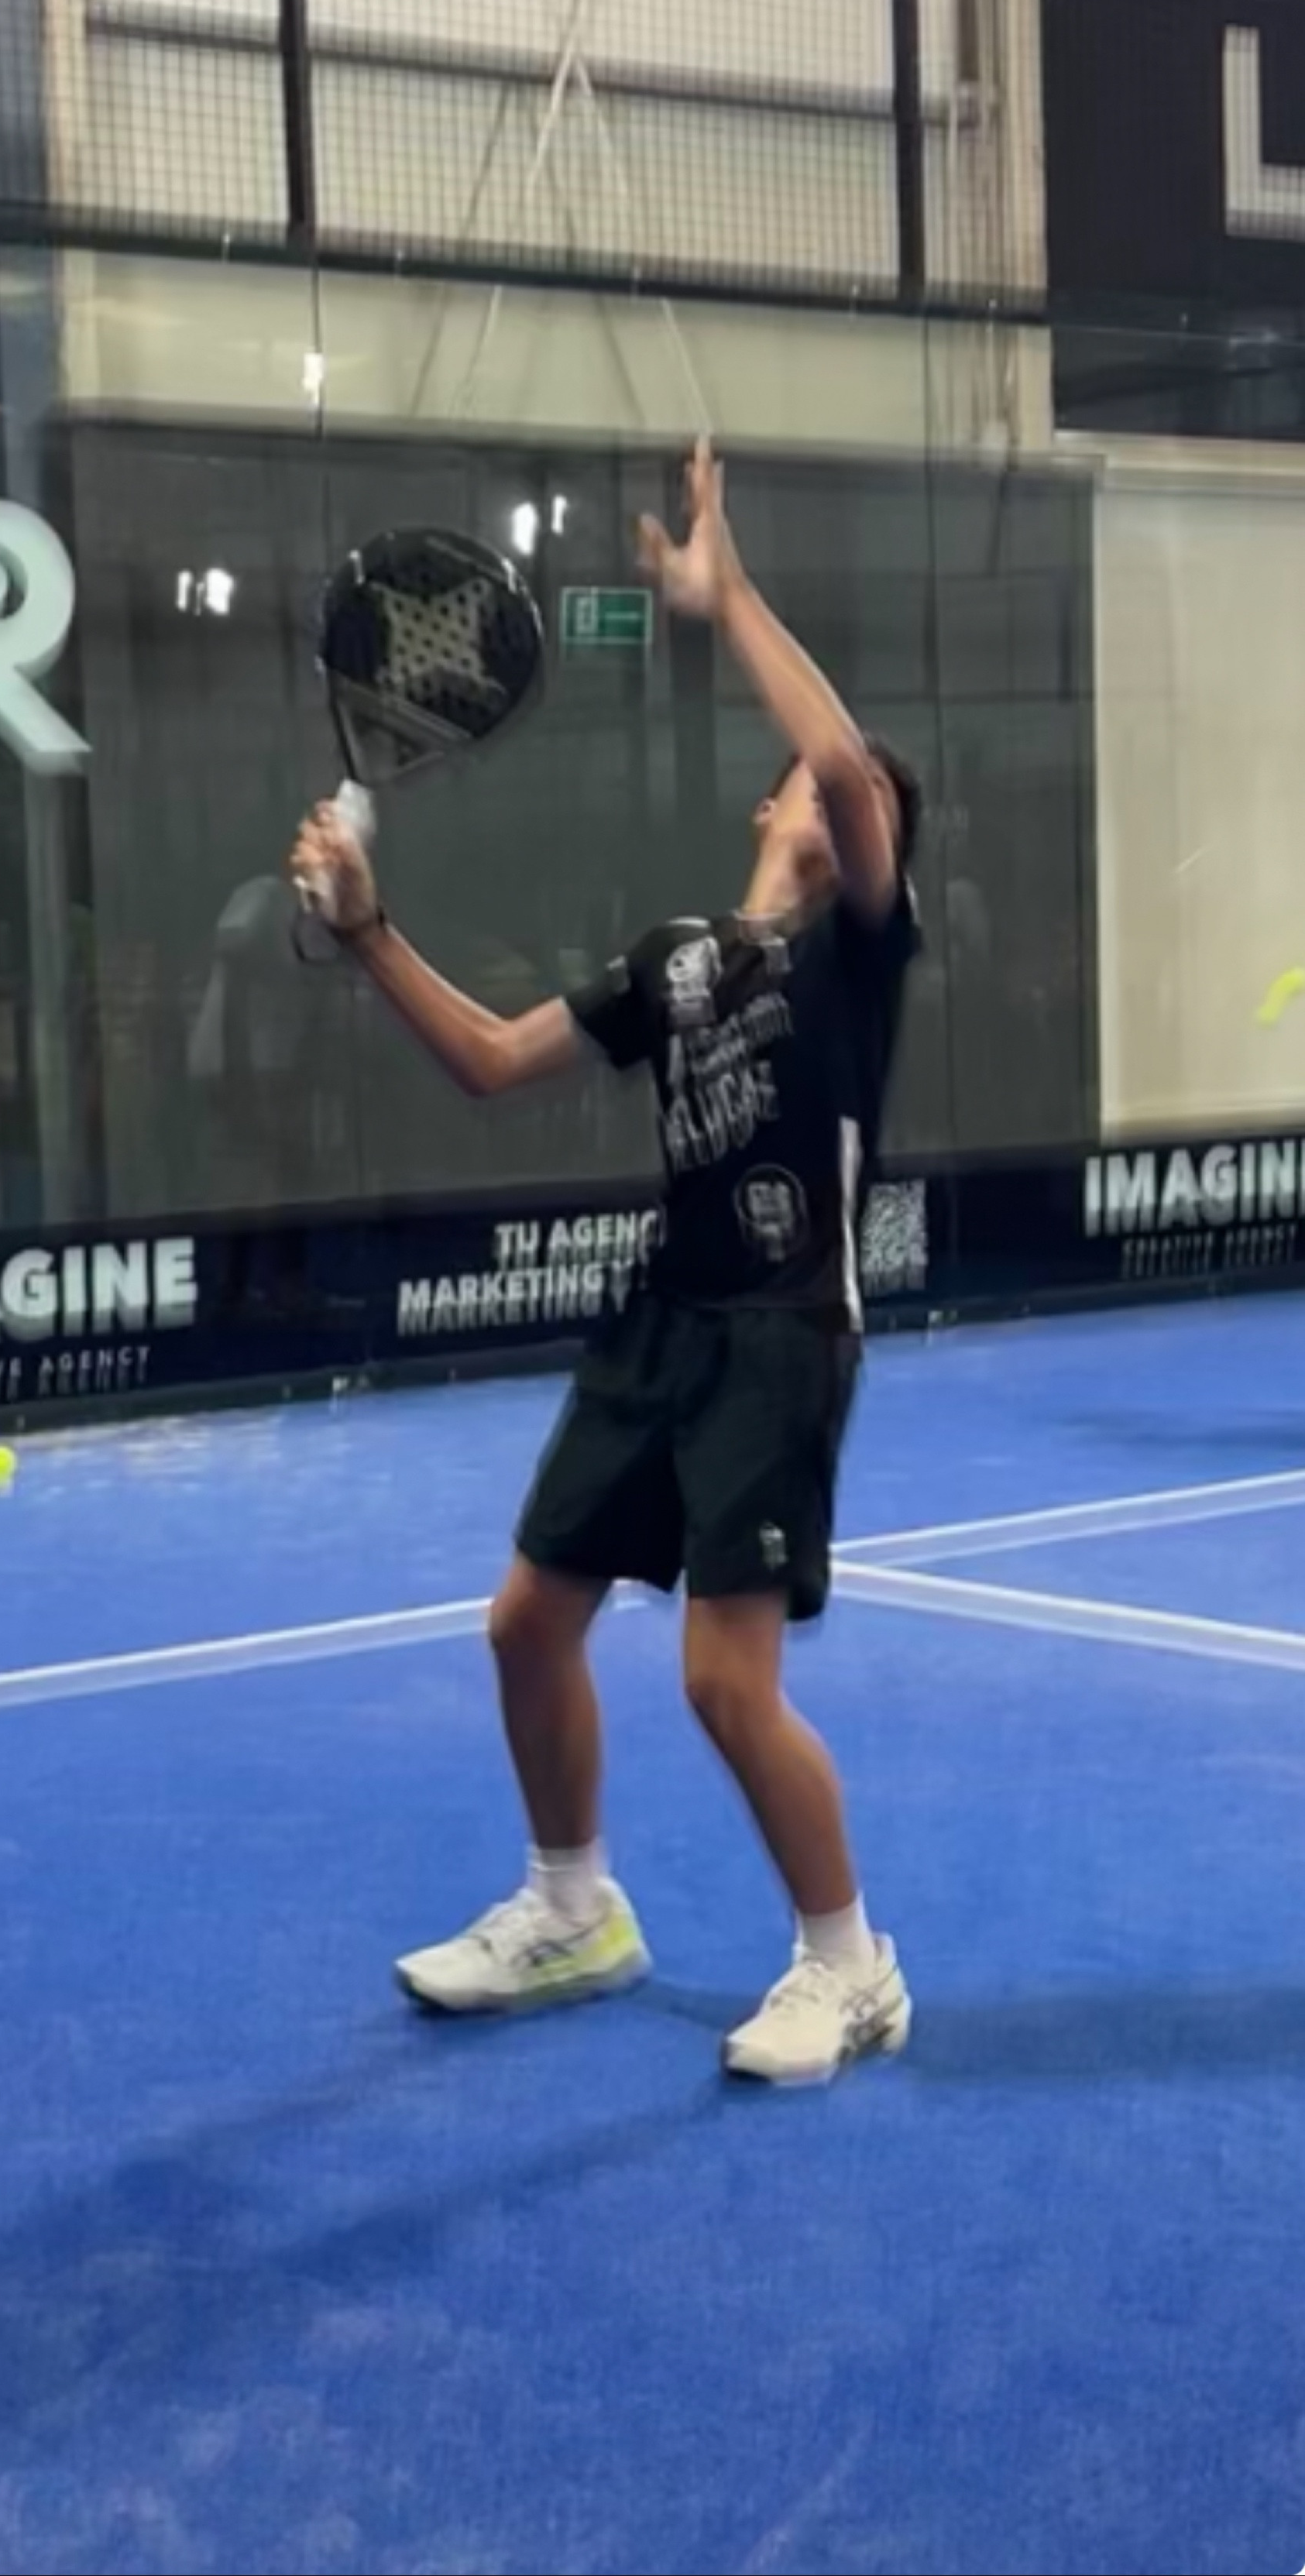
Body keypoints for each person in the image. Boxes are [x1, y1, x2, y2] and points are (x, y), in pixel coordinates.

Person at [291, 444, 922, 2087]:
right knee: (524, 1624)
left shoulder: (858, 959)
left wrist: (728, 594)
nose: (836, 789)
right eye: (809, 783)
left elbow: (848, 763)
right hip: (662, 1323)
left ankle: (850, 1964)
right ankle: (573, 1905)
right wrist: (367, 929)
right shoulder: (678, 963)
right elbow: (494, 1060)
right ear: (762, 809)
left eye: (859, 797)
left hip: (782, 1329)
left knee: (724, 1681)